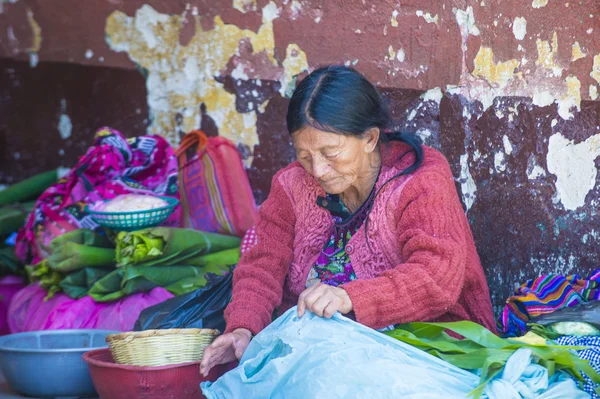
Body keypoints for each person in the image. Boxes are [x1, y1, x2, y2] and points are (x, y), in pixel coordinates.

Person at [200, 65, 495, 376]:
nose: (318, 169)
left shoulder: (419, 179)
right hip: (323, 355)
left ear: (369, 138)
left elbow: (436, 276)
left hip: (429, 351)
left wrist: (348, 297)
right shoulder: (291, 185)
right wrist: (242, 328)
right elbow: (262, 265)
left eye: (331, 153)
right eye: (304, 155)